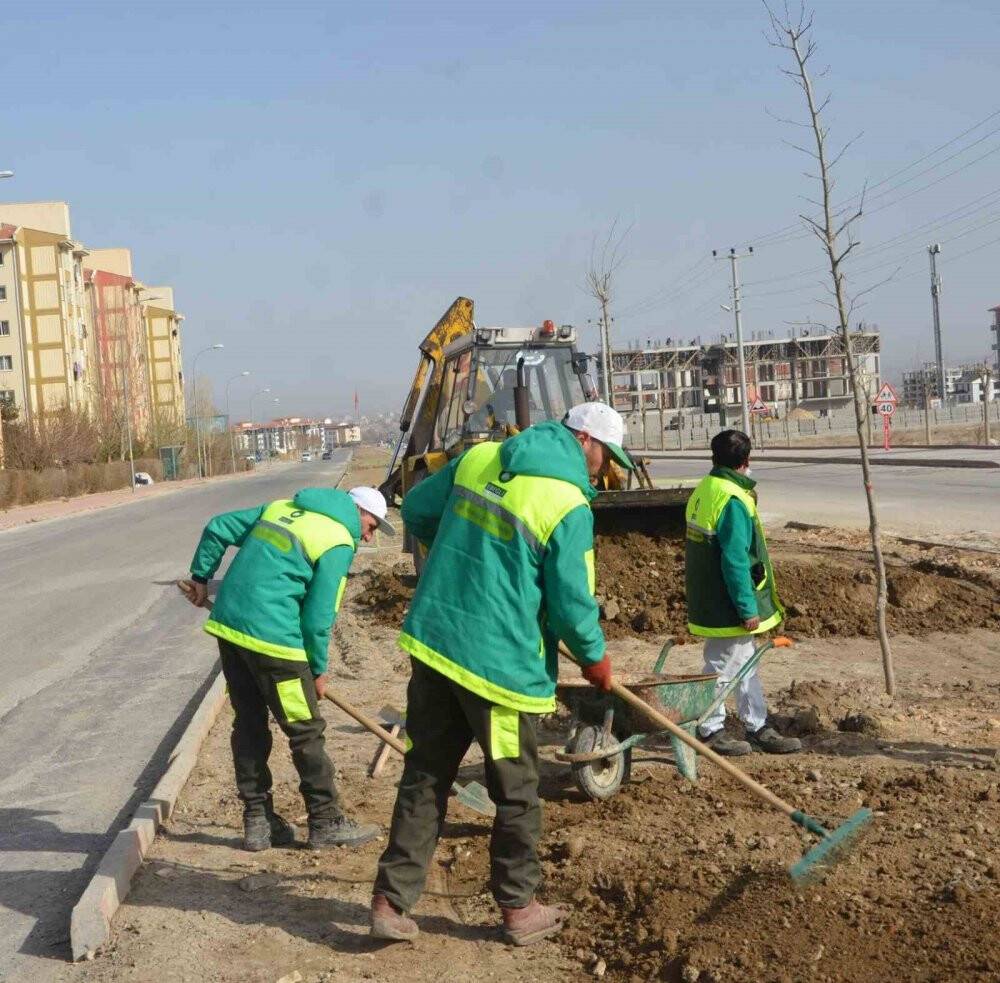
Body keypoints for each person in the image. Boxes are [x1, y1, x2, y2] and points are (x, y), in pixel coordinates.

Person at [370, 402, 632, 946]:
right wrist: (594, 659)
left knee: (425, 774)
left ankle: (389, 902)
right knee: (516, 792)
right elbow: (571, 603)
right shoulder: (568, 505)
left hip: (437, 647)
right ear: (584, 439)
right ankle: (518, 908)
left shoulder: (480, 457)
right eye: (605, 453)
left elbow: (416, 510)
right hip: (501, 675)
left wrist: (463, 554)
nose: (603, 467)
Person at [183, 485, 396, 851]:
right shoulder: (337, 540)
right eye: (372, 525)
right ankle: (326, 820)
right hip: (276, 645)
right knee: (305, 731)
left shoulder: (280, 507)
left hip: (231, 632)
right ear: (357, 510)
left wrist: (201, 578)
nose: (368, 534)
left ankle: (258, 822)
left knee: (248, 722)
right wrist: (316, 670)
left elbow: (218, 526)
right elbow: (318, 617)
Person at [685, 430, 801, 756]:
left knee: (744, 663)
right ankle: (710, 729)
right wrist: (747, 607)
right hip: (726, 602)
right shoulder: (732, 500)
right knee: (722, 666)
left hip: (709, 595)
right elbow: (735, 559)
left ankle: (757, 725)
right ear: (746, 462)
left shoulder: (707, 489)